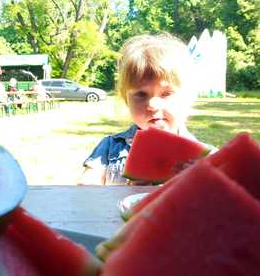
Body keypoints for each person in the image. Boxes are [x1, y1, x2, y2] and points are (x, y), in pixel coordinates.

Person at [81, 33, 212, 185]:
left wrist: (202, 185)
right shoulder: (109, 147)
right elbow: (85, 192)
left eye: (167, 93)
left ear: (188, 98)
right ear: (126, 100)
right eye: (141, 94)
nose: (153, 104)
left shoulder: (208, 159)